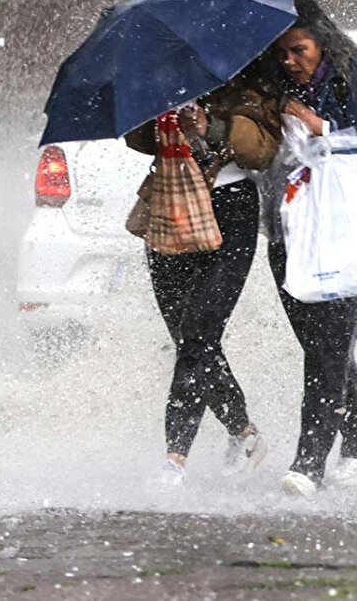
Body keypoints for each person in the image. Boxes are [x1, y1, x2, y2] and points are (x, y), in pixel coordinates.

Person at [261, 0, 357, 498]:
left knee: (332, 341)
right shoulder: (272, 85)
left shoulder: (353, 71)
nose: (290, 62)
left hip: (354, 218)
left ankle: (307, 464)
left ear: (323, 42)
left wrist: (315, 125)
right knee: (319, 342)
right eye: (281, 54)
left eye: (299, 50)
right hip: (290, 221)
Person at [124, 61, 282, 486]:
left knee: (198, 336)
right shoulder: (163, 75)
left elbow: (263, 151)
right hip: (170, 204)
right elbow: (134, 138)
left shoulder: (254, 77)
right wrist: (155, 109)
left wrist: (210, 125)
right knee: (188, 340)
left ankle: (174, 460)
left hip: (231, 210)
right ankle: (246, 434)